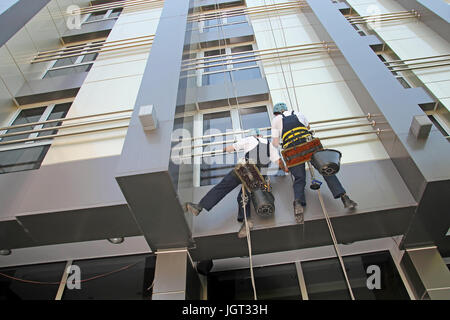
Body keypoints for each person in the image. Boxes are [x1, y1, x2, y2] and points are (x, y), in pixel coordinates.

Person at [184, 128, 285, 238]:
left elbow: (231, 148)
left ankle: (199, 206)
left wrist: (223, 149)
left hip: (246, 169)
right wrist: (287, 170)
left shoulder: (249, 139)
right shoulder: (270, 145)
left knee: (223, 187)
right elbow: (279, 162)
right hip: (258, 177)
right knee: (243, 196)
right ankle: (246, 221)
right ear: (260, 135)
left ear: (254, 135)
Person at [271, 102, 357, 219]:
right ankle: (345, 198)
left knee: (299, 178)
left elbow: (275, 143)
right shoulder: (297, 113)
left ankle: (298, 204)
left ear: (276, 113)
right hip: (309, 146)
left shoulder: (275, 120)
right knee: (326, 169)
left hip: (293, 151)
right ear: (286, 109)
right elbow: (307, 127)